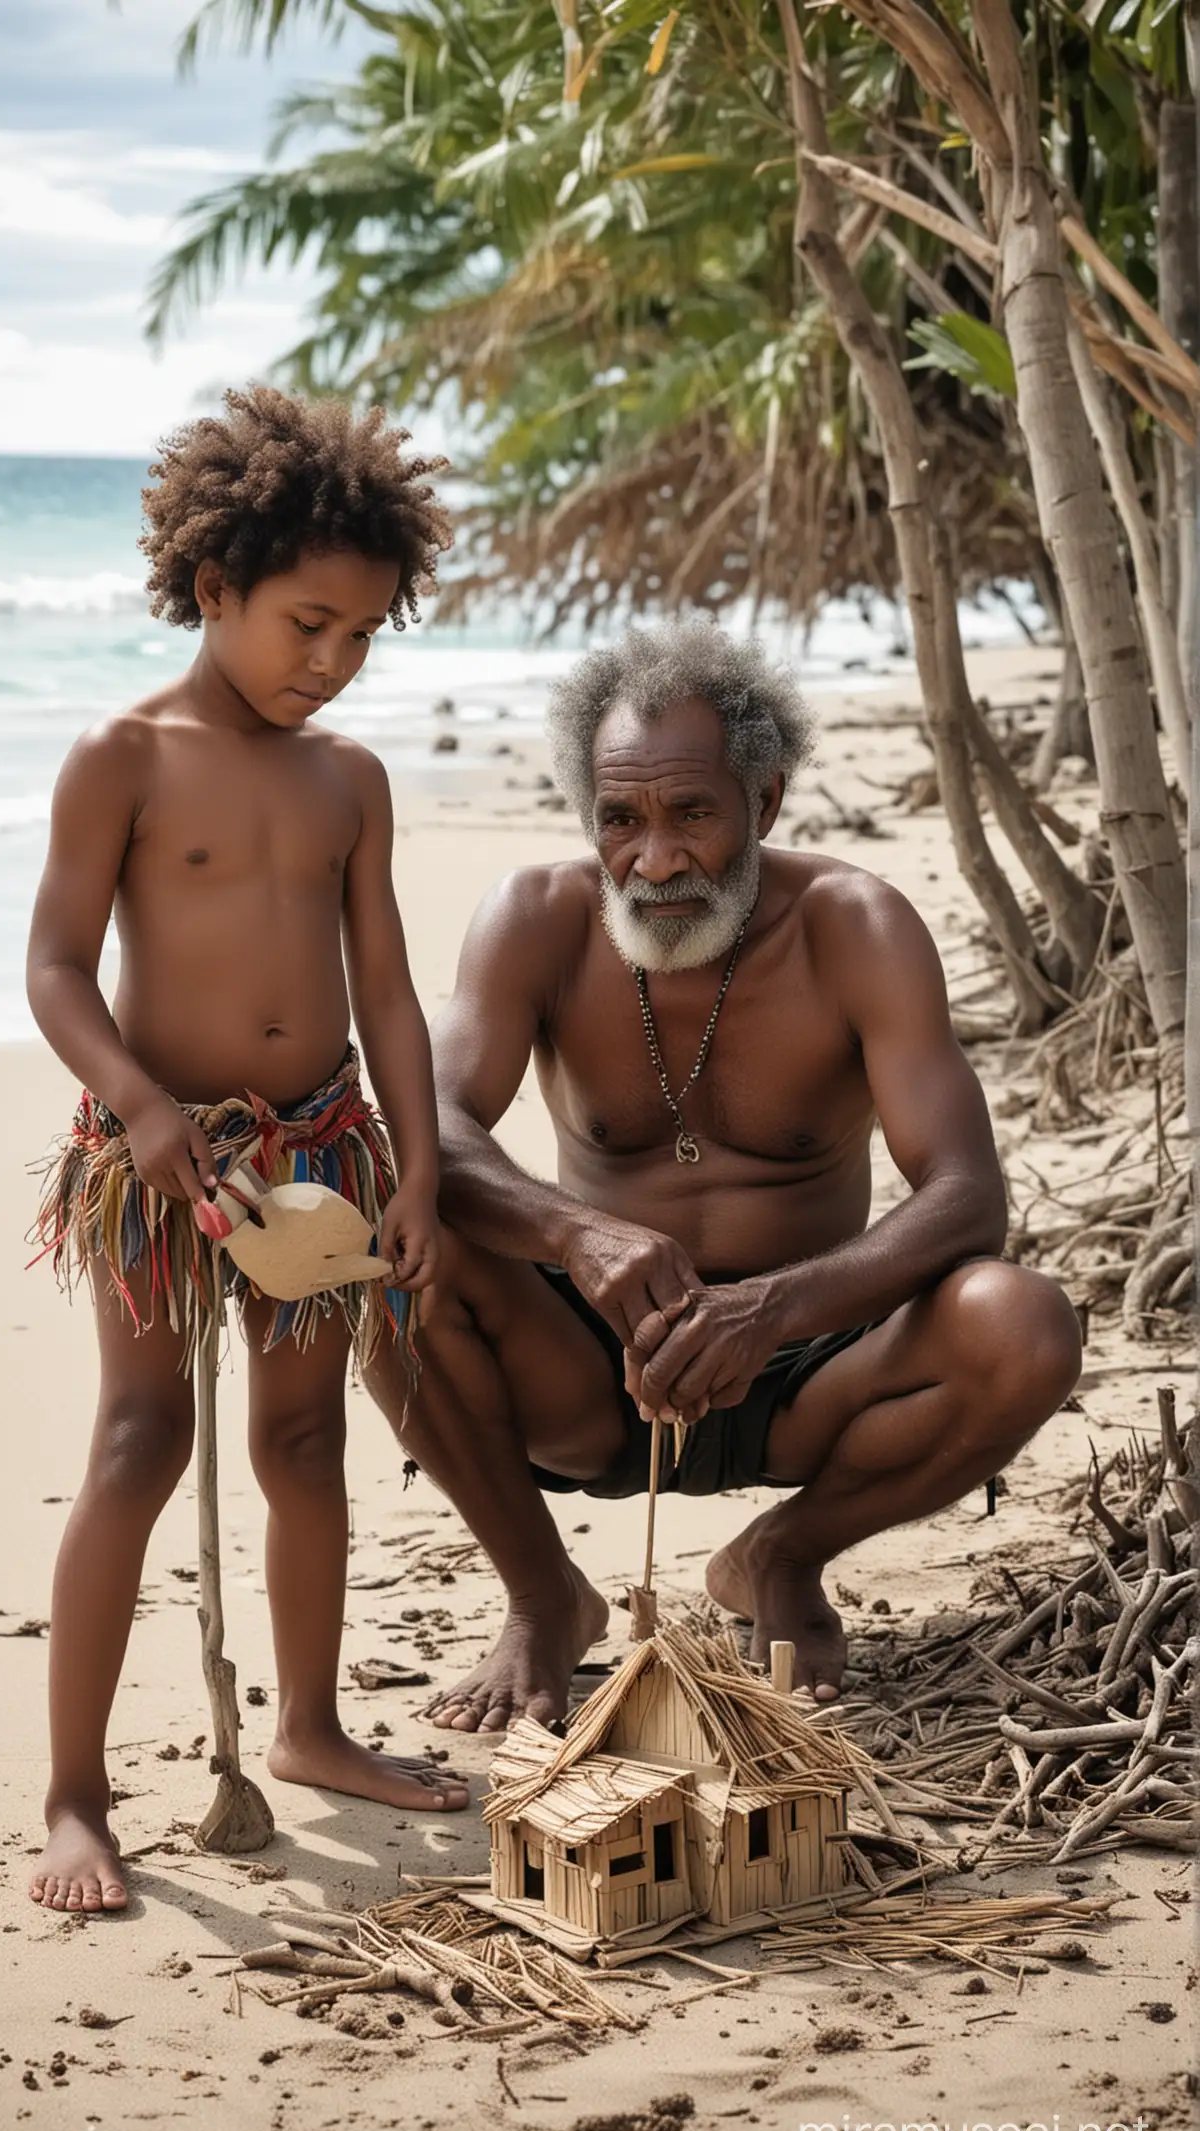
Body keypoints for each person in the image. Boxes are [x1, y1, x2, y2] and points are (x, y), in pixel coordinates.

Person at [367, 620, 1082, 1732]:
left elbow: (965, 1196)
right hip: (590, 1373)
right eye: (620, 819)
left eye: (692, 814)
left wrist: (771, 1308)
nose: (654, 860)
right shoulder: (539, 919)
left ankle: (782, 1558)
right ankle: (543, 1596)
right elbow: (429, 1132)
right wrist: (581, 1239)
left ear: (767, 803)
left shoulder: (856, 926)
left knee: (1024, 1322)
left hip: (809, 1370)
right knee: (396, 1268)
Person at [26, 385, 467, 1915]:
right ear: (213, 589)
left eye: (361, 635)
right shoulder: (123, 755)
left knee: (301, 1445)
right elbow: (57, 971)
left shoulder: (350, 780)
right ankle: (76, 1794)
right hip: (168, 1161)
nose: (332, 662)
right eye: (306, 624)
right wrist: (142, 1112)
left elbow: (392, 992)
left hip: (323, 1158)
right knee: (141, 1442)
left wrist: (414, 1167)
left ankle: (312, 1727)